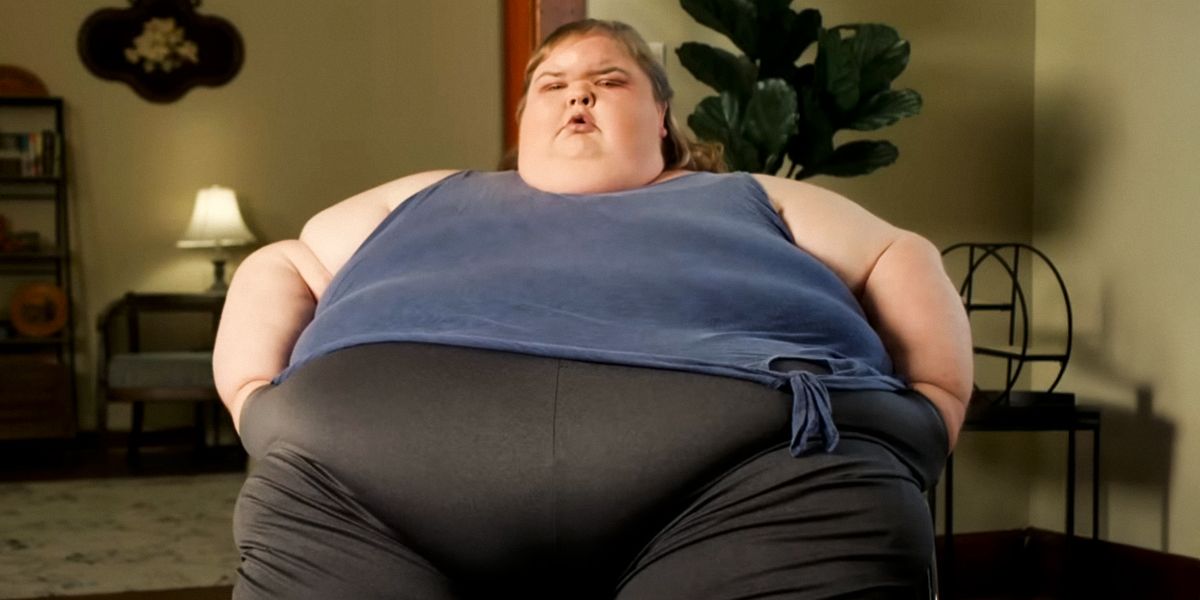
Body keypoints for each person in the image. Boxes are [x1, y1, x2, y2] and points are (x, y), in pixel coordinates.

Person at [215, 18, 972, 600]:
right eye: (552, 84)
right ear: (523, 120)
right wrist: (258, 406)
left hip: (754, 483)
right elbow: (284, 263)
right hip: (364, 491)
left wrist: (936, 405)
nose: (578, 94)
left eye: (609, 80)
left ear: (662, 117)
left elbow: (897, 255)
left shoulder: (749, 195)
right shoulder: (429, 192)